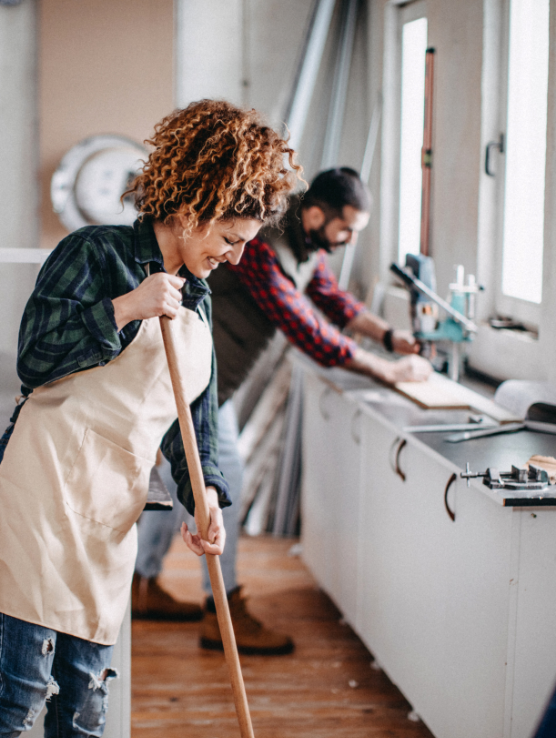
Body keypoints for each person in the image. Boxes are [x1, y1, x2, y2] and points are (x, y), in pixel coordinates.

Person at [0, 100, 301, 738]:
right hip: (36, 494)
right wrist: (126, 307)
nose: (236, 256)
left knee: (85, 705)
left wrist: (205, 496)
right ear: (191, 212)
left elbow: (195, 422)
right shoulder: (93, 254)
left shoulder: (202, 298)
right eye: (231, 237)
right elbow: (35, 358)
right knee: (15, 697)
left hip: (106, 514)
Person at [132, 167, 433, 656]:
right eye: (347, 228)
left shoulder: (306, 247)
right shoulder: (263, 245)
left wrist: (389, 337)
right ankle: (222, 613)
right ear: (316, 214)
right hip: (193, 379)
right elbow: (303, 326)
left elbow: (329, 298)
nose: (350, 238)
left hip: (212, 384)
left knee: (184, 482)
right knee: (220, 483)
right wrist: (389, 372)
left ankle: (142, 586)